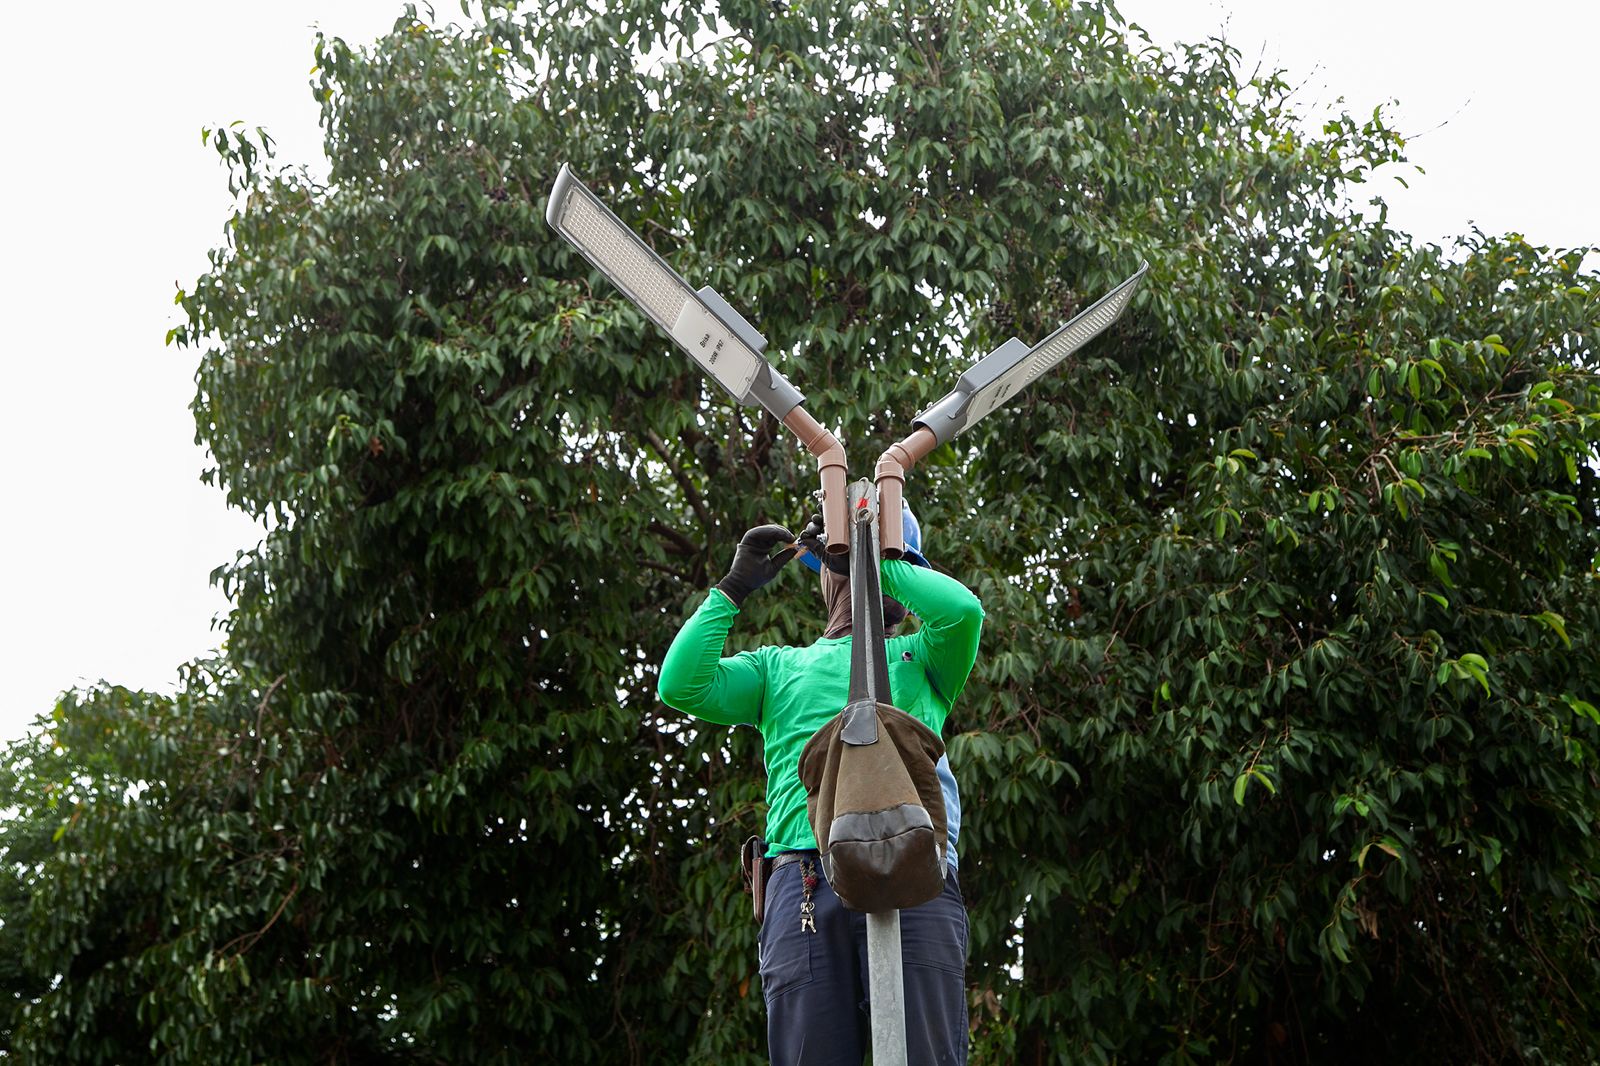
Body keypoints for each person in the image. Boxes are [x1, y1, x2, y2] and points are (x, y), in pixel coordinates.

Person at [658, 508, 984, 1065]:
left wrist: (872, 560)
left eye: (886, 564)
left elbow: (962, 609)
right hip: (805, 883)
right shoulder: (779, 668)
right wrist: (733, 588)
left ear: (906, 583)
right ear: (822, 577)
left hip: (916, 877)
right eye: (842, 564)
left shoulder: (924, 658)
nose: (851, 575)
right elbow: (681, 684)